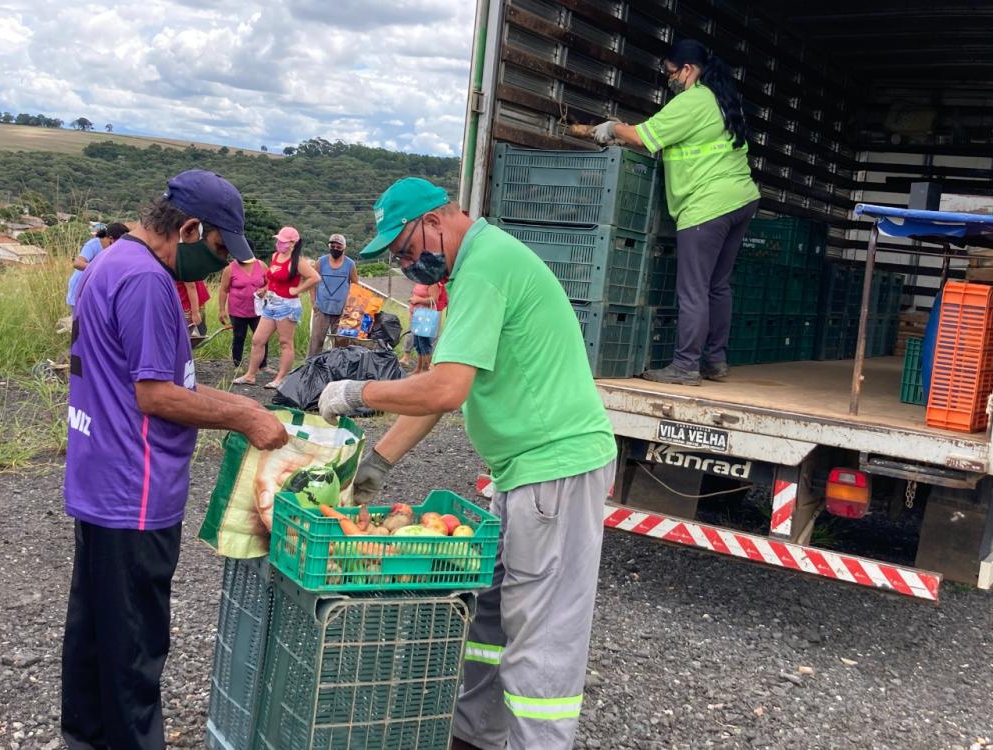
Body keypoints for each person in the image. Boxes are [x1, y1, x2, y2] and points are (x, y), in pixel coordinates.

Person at [317, 177, 617, 750]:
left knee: (541, 640)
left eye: (406, 250)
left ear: (436, 219)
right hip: (523, 473)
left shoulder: (484, 268)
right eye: (399, 260)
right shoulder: (476, 269)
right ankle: (474, 738)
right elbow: (442, 384)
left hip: (555, 470)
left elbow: (445, 390)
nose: (408, 267)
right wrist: (377, 463)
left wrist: (357, 394)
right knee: (487, 618)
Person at [62, 168, 288, 750]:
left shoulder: (112, 263)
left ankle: (85, 738)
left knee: (94, 635)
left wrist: (243, 403)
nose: (220, 265)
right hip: (134, 488)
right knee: (135, 648)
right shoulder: (147, 281)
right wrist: (243, 417)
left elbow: (167, 380)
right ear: (188, 228)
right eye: (217, 248)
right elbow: (155, 396)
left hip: (99, 478)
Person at [592, 38, 761, 386]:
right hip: (740, 199)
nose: (670, 80)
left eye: (670, 73)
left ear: (687, 69)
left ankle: (685, 366)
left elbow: (644, 137)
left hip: (707, 205)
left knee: (694, 289)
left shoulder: (694, 100)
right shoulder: (723, 99)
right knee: (717, 285)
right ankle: (714, 361)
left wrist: (612, 128)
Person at [233, 226, 320, 389]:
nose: (280, 244)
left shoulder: (298, 262)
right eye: (279, 240)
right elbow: (272, 279)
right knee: (258, 340)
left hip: (287, 305)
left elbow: (314, 277)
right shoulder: (275, 256)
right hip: (271, 303)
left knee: (285, 342)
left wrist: (298, 290)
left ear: (293, 243)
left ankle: (280, 378)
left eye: (283, 241)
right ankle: (250, 375)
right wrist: (265, 290)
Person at [308, 232, 358, 357]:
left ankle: (340, 367)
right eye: (333, 246)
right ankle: (310, 367)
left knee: (341, 343)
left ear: (344, 247)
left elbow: (356, 286)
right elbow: (312, 282)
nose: (335, 249)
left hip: (342, 311)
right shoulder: (321, 261)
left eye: (338, 247)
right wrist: (314, 302)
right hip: (322, 308)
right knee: (316, 342)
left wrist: (350, 309)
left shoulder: (350, 264)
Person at [218, 255, 269, 369]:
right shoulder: (230, 268)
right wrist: (221, 310)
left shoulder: (261, 265)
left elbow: (270, 282)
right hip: (237, 311)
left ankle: (262, 365)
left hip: (258, 310)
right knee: (239, 337)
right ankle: (238, 365)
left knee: (262, 337)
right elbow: (223, 290)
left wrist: (264, 289)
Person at [66, 222, 129, 308]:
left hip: (94, 290)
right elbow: (77, 264)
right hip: (80, 289)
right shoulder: (93, 245)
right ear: (111, 239)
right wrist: (100, 269)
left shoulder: (114, 250)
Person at [408, 281, 440, 373]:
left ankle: (425, 369)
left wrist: (419, 300)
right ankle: (418, 368)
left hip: (426, 318)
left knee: (425, 345)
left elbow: (435, 300)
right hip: (417, 316)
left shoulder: (432, 282)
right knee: (418, 344)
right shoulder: (419, 281)